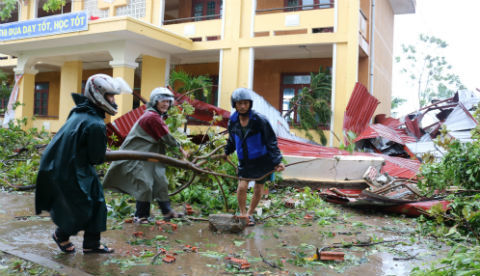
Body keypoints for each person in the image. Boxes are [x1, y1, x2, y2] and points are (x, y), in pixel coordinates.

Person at [35, 73, 132, 254]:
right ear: (98, 95)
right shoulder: (96, 123)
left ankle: (91, 244)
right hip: (73, 169)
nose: (113, 100)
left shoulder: (80, 111)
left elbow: (80, 141)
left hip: (66, 164)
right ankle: (61, 235)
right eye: (110, 96)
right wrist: (106, 153)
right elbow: (96, 158)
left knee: (97, 203)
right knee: (81, 208)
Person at [103, 87, 188, 224]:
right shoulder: (152, 117)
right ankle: (140, 215)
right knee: (145, 185)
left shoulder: (156, 116)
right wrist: (181, 151)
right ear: (155, 101)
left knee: (161, 182)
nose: (166, 104)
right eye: (162, 101)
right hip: (136, 156)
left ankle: (167, 212)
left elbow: (161, 137)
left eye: (168, 101)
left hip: (148, 156)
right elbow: (167, 137)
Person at [224, 88, 285, 226]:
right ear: (235, 104)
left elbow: (271, 141)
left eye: (246, 103)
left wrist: (277, 161)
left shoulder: (259, 120)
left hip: (262, 160)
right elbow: (232, 140)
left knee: (258, 188)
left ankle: (250, 213)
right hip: (245, 161)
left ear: (250, 104)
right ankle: (243, 213)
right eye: (239, 103)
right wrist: (226, 151)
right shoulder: (233, 121)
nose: (243, 106)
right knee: (242, 187)